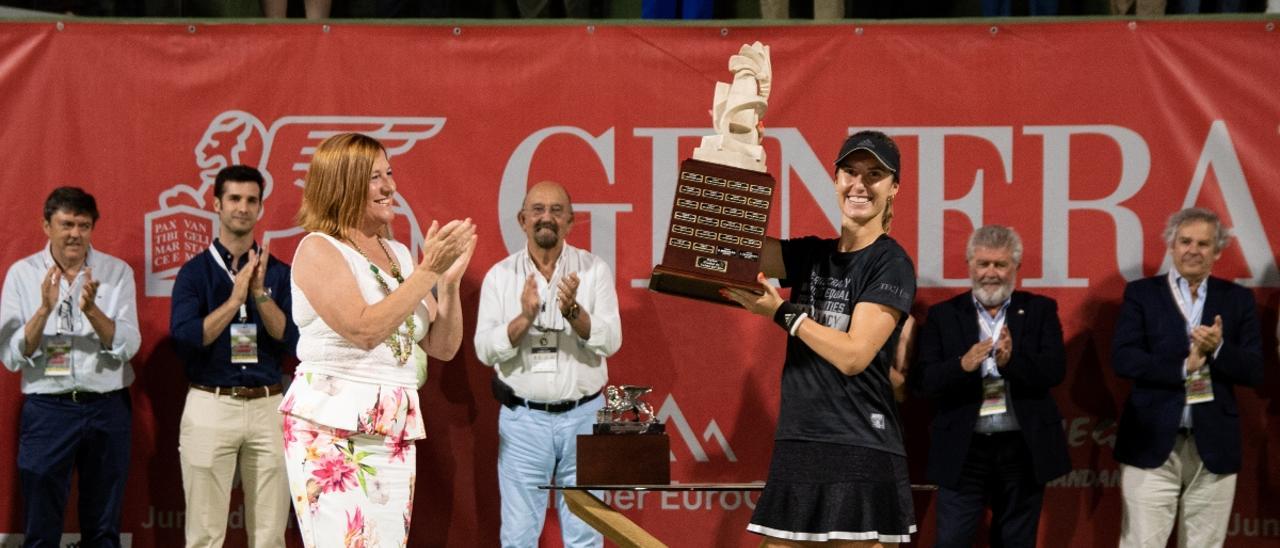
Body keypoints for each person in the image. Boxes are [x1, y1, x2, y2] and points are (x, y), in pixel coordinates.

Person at [279, 133, 476, 547]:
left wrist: (450, 283)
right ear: (342, 185)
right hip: (331, 429)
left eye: (390, 173)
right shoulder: (318, 249)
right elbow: (363, 329)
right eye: (374, 178)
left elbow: (441, 346)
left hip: (392, 429)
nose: (390, 188)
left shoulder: (399, 255)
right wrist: (426, 274)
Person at [722, 130, 916, 546]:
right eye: (850, 171)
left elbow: (854, 356)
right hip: (799, 445)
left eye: (875, 174)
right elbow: (731, 246)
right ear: (835, 178)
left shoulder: (891, 262)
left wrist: (781, 312)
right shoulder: (811, 255)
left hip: (860, 448)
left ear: (894, 187)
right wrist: (739, 156)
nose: (859, 184)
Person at [473, 181, 622, 548]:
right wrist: (523, 319)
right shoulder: (500, 276)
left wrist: (574, 313)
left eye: (557, 210)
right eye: (538, 210)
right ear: (522, 220)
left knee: (586, 533)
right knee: (519, 534)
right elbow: (484, 350)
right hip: (523, 421)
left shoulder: (594, 271)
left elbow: (611, 340)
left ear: (570, 222)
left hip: (585, 416)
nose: (547, 217)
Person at [1111, 207, 1263, 548]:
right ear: (1171, 246)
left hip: (1214, 443)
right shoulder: (1142, 294)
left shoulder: (1237, 300)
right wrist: (1184, 368)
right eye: (1185, 241)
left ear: (1218, 251)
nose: (1193, 250)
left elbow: (1254, 370)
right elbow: (1124, 359)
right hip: (1151, 442)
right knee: (1141, 542)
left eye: (1203, 244)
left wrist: (1219, 347)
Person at [913, 225, 1071, 547]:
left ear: (1016, 268)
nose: (991, 273)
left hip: (1022, 448)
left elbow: (1054, 371)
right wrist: (963, 365)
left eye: (1000, 264)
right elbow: (924, 381)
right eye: (983, 263)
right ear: (970, 265)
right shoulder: (944, 315)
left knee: (1016, 541)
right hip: (964, 450)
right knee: (952, 540)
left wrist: (1011, 362)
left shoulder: (1040, 310)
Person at [1, 187, 141, 547]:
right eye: (65, 224)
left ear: (93, 227)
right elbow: (11, 354)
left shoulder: (116, 272)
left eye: (83, 225)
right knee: (42, 526)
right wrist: (44, 310)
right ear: (46, 226)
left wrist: (93, 310)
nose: (74, 233)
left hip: (106, 406)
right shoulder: (21, 274)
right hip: (48, 409)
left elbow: (129, 345)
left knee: (104, 526)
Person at [170, 165, 299, 548]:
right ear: (216, 204)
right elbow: (187, 338)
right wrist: (234, 300)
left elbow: (292, 339)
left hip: (268, 404)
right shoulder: (194, 274)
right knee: (205, 534)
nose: (242, 208)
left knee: (269, 535)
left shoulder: (279, 273)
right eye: (234, 199)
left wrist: (259, 295)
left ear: (260, 208)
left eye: (251, 200)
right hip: (211, 402)